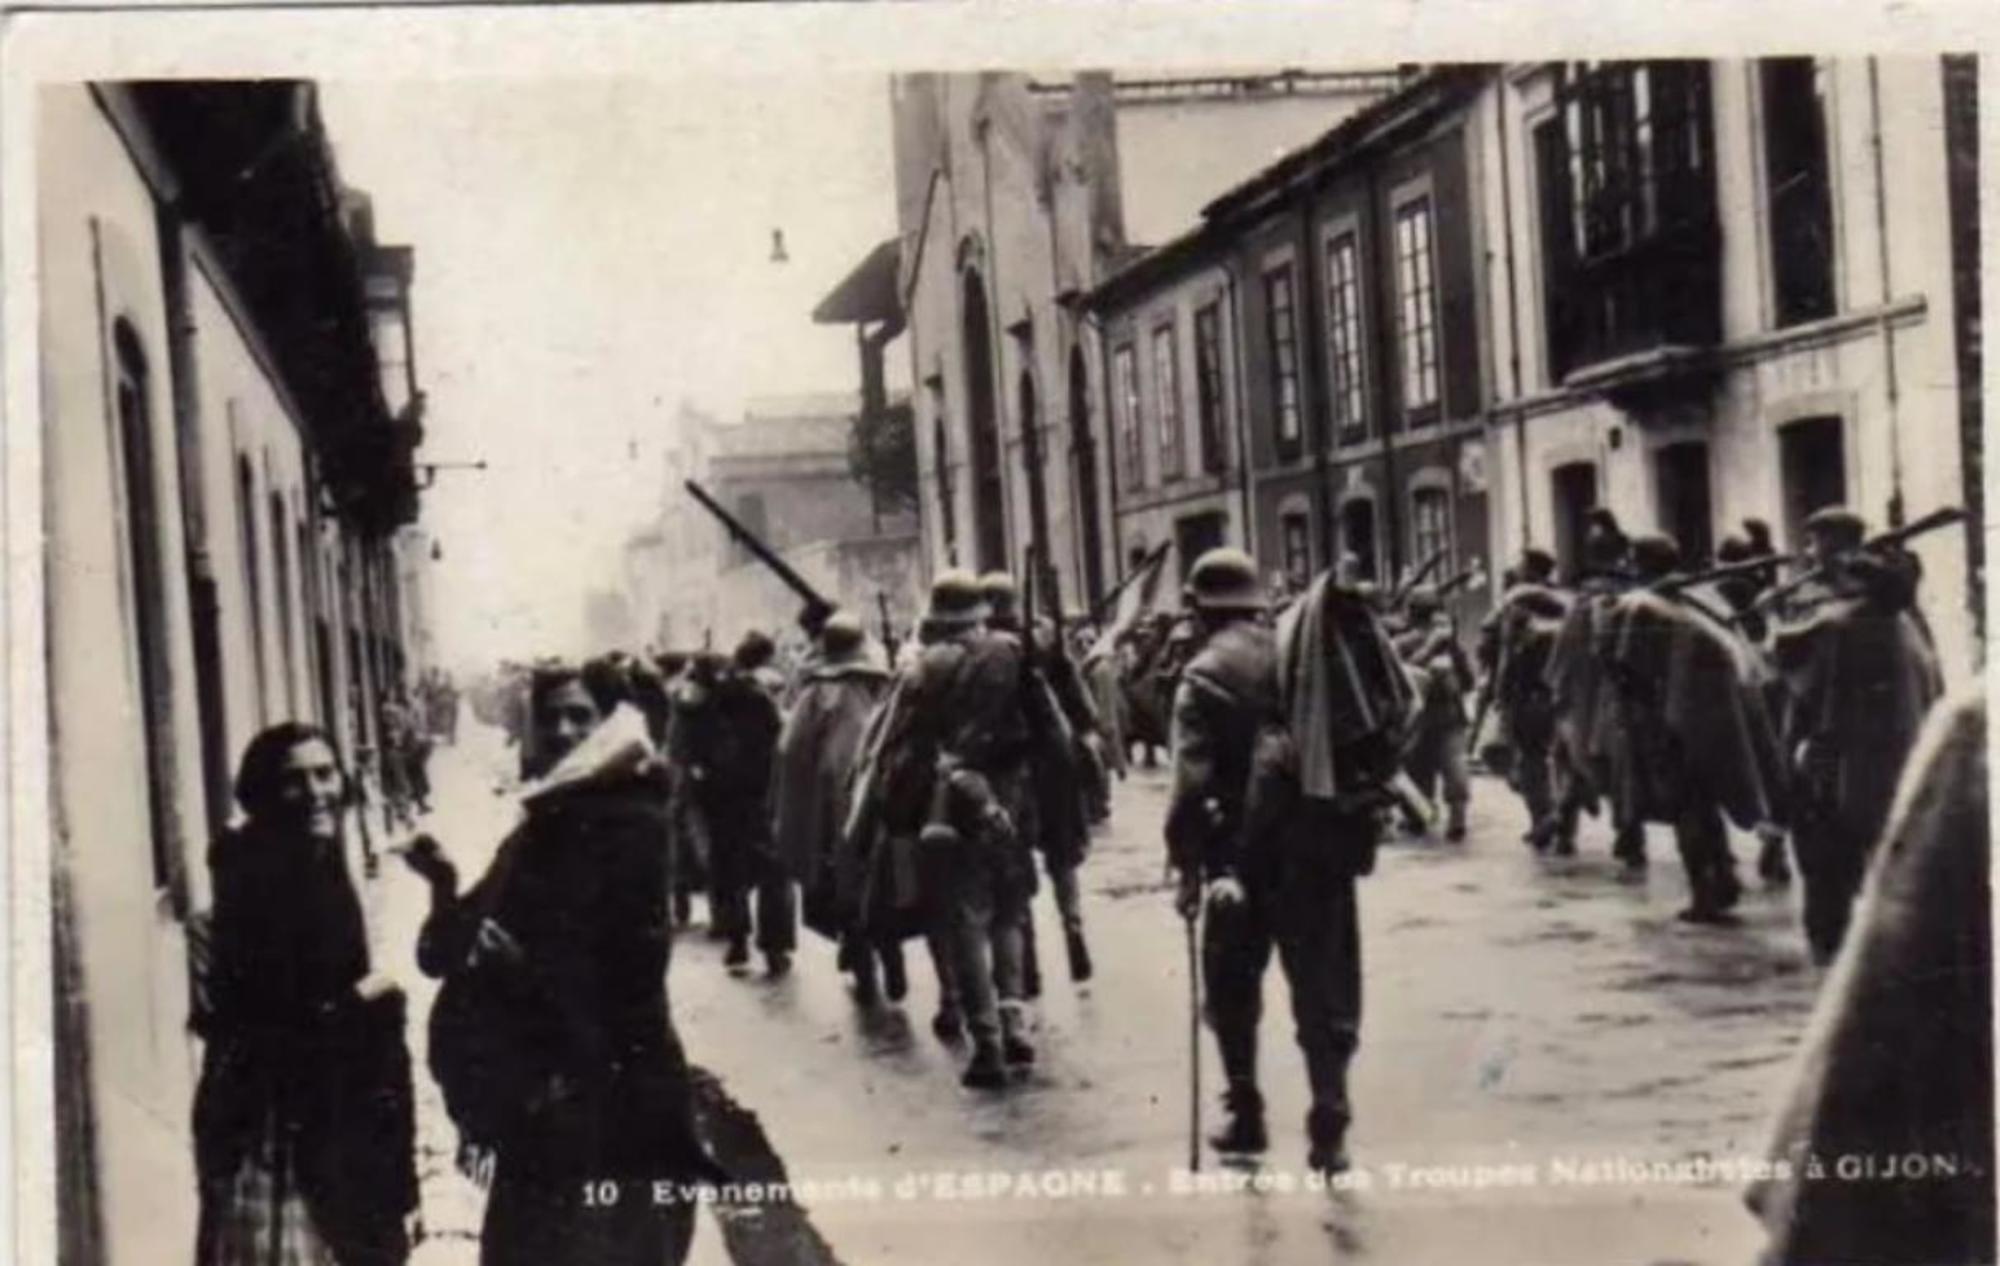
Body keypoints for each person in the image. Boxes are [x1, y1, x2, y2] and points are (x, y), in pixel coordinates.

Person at [410, 660, 720, 1266]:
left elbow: (632, 982)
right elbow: (438, 956)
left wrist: (516, 969)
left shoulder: (634, 822)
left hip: (611, 1096)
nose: (561, 730)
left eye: (580, 716)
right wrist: (443, 885)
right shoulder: (540, 822)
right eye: (548, 717)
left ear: (610, 725)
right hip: (542, 1102)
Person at [1168, 548, 1410, 1176]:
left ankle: (1246, 1115)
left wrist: (1189, 865)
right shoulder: (1302, 649)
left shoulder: (1202, 675)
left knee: (1231, 989)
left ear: (1201, 610)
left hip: (1238, 864)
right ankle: (1330, 1118)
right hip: (1317, 850)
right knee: (1325, 987)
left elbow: (1191, 786)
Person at [1747, 687, 1992, 1265]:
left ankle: (1823, 939)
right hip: (1878, 777)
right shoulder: (1912, 645)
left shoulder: (1982, 730)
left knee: (1827, 878)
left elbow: (1882, 1024)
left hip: (1834, 782)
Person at [191, 723, 418, 1266]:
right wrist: (370, 1002)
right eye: (295, 781)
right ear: (265, 793)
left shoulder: (314, 860)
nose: (317, 792)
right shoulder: (261, 875)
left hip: (328, 1102)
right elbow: (269, 1021)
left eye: (324, 774)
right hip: (283, 1121)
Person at [877, 570, 1052, 1087]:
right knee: (1010, 914)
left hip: (953, 805)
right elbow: (1048, 728)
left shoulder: (923, 670)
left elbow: (905, 750)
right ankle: (1016, 1023)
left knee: (966, 922)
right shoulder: (1015, 654)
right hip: (1014, 800)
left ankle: (988, 1047)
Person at [1768, 506, 1942, 964]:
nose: (1807, 552)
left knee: (1826, 865)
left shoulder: (1838, 623)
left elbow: (1788, 667)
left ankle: (1834, 949)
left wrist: (1768, 620)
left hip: (1833, 760)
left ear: (1830, 545)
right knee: (1881, 854)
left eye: (1814, 542)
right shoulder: (1905, 620)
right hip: (1894, 754)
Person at [771, 611, 905, 1001]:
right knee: (885, 878)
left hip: (836, 805)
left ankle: (864, 962)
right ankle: (890, 953)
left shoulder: (815, 693)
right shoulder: (885, 684)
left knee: (846, 884)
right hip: (882, 794)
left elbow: (791, 749)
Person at [979, 571, 1096, 988]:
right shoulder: (1047, 639)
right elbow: (1082, 707)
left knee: (1016, 861)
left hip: (1012, 767)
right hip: (1054, 761)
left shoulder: (983, 650)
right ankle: (1073, 926)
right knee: (1063, 855)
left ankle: (1027, 961)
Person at [683, 637, 792, 973]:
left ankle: (737, 940)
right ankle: (774, 946)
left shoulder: (700, 702)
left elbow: (691, 748)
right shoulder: (759, 695)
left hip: (718, 793)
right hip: (758, 793)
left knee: (728, 866)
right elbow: (779, 739)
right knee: (773, 869)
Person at [1472, 547, 1570, 846]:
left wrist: (1497, 692)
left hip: (1524, 693)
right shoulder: (1565, 600)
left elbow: (1491, 648)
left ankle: (1544, 818)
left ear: (1530, 569)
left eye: (1522, 564)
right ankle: (1562, 823)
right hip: (1560, 692)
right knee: (1561, 758)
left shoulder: (1515, 603)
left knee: (1528, 759)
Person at [1393, 585, 1474, 841]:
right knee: (1421, 772)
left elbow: (1467, 680)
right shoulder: (1403, 645)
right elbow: (1397, 679)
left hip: (1443, 717)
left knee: (1452, 770)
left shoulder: (1450, 646)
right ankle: (1423, 816)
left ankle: (1453, 819)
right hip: (1420, 719)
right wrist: (1429, 651)